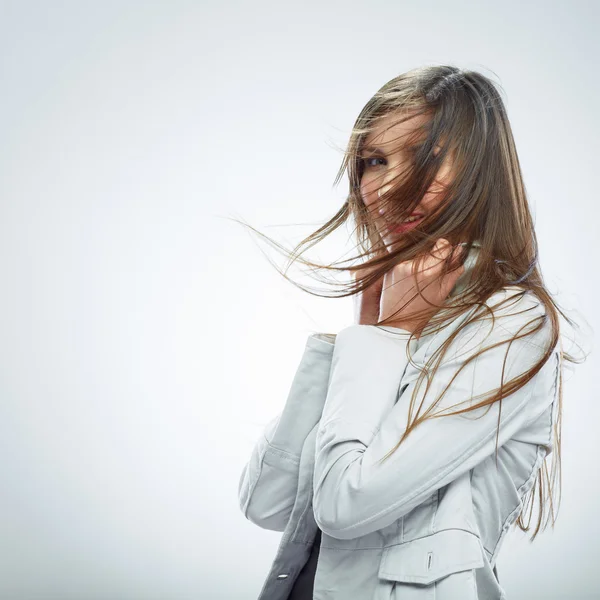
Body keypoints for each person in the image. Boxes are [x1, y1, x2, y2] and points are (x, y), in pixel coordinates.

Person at [237, 65, 583, 599]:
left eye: (423, 155)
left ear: (479, 171)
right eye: (374, 161)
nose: (390, 186)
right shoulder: (383, 320)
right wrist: (362, 338)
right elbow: (267, 502)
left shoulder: (512, 323)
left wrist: (387, 335)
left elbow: (345, 505)